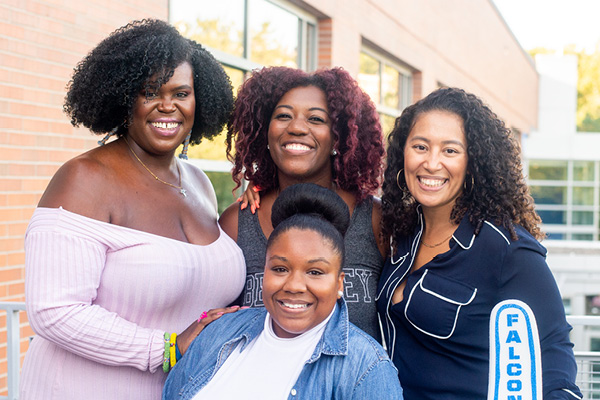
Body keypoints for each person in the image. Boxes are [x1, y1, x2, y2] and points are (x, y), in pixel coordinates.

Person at [20, 19, 245, 400]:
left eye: (182, 92)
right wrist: (167, 348)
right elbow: (54, 311)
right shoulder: (84, 178)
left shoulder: (199, 182)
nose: (167, 105)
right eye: (150, 92)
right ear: (124, 98)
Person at [376, 87, 582, 399]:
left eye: (450, 151)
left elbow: (554, 356)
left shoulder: (505, 248)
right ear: (402, 152)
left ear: (474, 162)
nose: (431, 163)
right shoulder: (400, 233)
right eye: (420, 146)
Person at [164, 183, 403, 399]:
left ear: (340, 283)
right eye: (280, 268)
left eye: (315, 272)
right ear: (264, 271)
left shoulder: (367, 369)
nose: (294, 286)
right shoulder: (219, 334)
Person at [219, 66, 386, 341]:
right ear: (265, 132)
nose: (296, 127)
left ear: (338, 136)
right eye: (283, 116)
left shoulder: (374, 217)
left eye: (316, 119)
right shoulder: (237, 222)